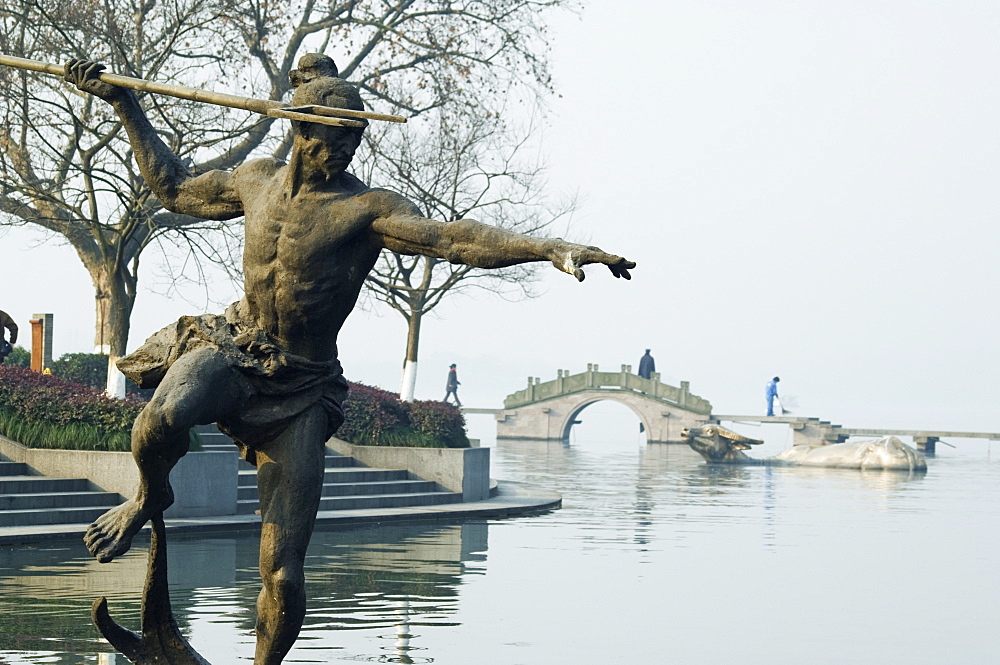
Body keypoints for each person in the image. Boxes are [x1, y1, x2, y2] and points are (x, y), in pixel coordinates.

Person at [65, 55, 634, 665]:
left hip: (303, 389)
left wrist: (549, 247)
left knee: (282, 573)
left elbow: (455, 238)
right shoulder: (254, 180)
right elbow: (173, 188)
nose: (344, 151)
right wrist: (125, 106)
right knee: (161, 416)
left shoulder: (366, 210)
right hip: (236, 349)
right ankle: (150, 494)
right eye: (334, 138)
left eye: (354, 140)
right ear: (299, 127)